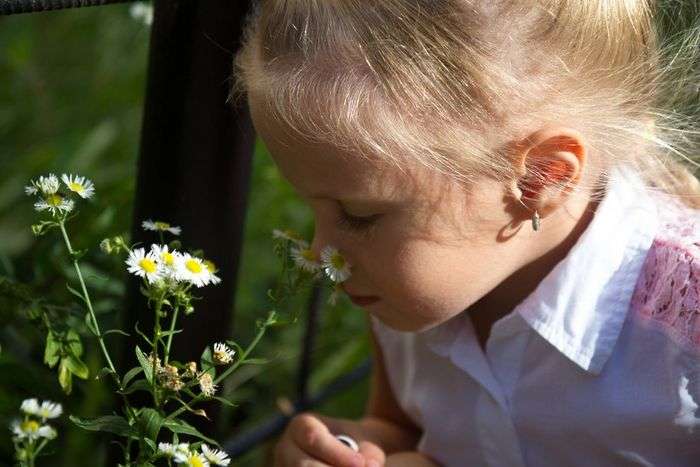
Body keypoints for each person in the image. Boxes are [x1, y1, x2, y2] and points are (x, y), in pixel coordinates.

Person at [231, 1, 700, 465]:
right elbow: (407, 427)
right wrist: (360, 446)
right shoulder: (404, 296)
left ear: (539, 180)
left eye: (358, 215)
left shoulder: (682, 333)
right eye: (313, 208)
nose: (321, 253)